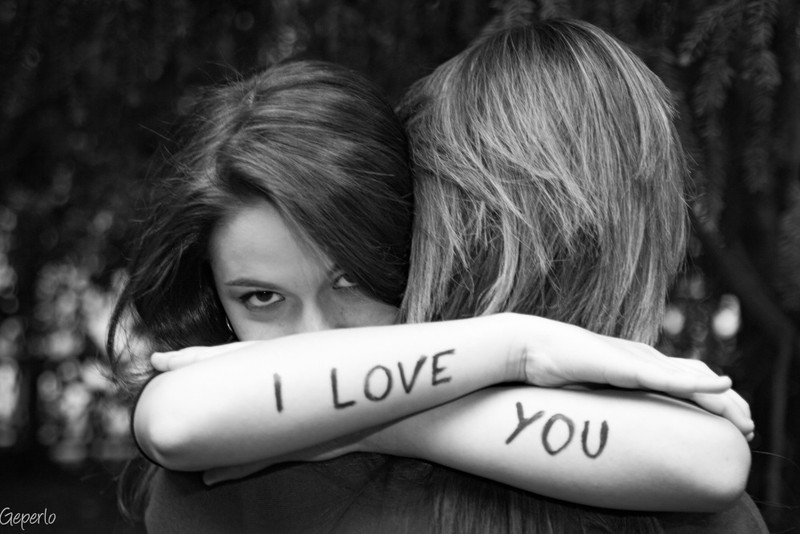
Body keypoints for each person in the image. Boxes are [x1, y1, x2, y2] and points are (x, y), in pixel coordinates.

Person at [109, 27, 757, 533]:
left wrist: (371, 422)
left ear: (420, 237)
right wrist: (517, 345)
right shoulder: (229, 478)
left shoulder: (235, 474)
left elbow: (714, 461)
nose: (314, 337)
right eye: (261, 297)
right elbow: (171, 419)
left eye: (351, 278)